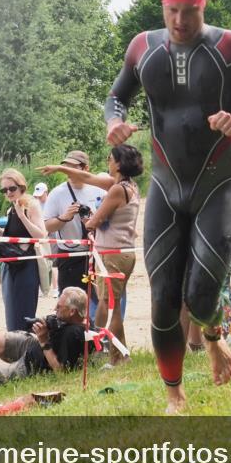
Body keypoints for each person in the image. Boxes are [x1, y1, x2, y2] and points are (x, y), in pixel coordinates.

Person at [104, 0, 231, 413]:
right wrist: (114, 122)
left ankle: (216, 338)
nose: (180, 20)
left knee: (201, 294)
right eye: (172, 11)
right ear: (163, 6)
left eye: (189, 11)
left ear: (202, 5)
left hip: (216, 185)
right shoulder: (143, 47)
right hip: (165, 184)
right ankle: (174, 395)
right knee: (162, 298)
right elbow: (116, 95)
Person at [84, 144, 143, 364]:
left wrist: (87, 222)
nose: (107, 162)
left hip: (112, 254)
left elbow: (96, 220)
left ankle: (109, 352)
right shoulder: (130, 186)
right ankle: (119, 354)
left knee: (108, 305)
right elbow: (87, 177)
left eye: (110, 159)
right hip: (121, 252)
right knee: (113, 304)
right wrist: (62, 170)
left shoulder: (118, 189)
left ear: (118, 163)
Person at [0, 286, 88, 387]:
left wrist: (44, 341)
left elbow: (61, 372)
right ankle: (10, 368)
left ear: (72, 311)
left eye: (59, 307)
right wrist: (46, 327)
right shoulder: (75, 320)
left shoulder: (73, 334)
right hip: (35, 345)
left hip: (32, 365)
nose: (55, 309)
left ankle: (11, 372)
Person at [0, 169, 46, 333]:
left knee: (24, 310)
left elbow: (41, 234)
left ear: (21, 187)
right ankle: (16, 349)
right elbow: (12, 237)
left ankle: (26, 351)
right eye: (4, 190)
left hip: (26, 264)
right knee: (11, 311)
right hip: (10, 265)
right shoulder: (12, 209)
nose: (8, 193)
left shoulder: (31, 204)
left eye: (12, 188)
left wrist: (23, 216)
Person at [41, 151, 106, 294]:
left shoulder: (99, 191)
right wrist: (64, 217)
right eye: (66, 167)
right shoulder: (57, 193)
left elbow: (110, 222)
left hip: (96, 255)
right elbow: (47, 226)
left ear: (86, 168)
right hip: (70, 256)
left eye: (73, 167)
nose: (69, 172)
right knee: (70, 306)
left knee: (98, 301)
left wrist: (95, 218)